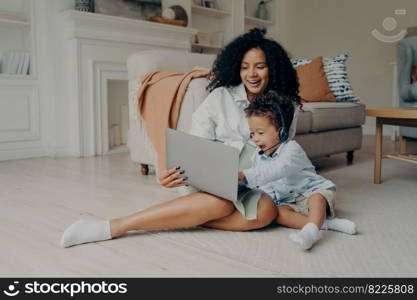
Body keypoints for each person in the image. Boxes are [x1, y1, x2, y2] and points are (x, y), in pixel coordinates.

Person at [60, 28, 302, 248]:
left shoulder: (287, 107)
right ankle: (114, 226)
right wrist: (171, 172)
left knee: (267, 212)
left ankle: (188, 217)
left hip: (250, 183)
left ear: (273, 67)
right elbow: (195, 145)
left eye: (260, 66)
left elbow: (281, 154)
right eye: (244, 66)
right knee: (221, 204)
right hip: (210, 183)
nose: (251, 74)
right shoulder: (220, 97)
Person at [239, 91, 357, 250]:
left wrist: (245, 175)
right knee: (277, 213)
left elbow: (276, 170)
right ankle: (326, 224)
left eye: (260, 133)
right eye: (252, 133)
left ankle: (311, 232)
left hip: (310, 192)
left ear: (281, 131)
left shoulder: (292, 150)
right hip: (288, 201)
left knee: (317, 199)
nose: (255, 138)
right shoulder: (258, 156)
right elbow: (263, 184)